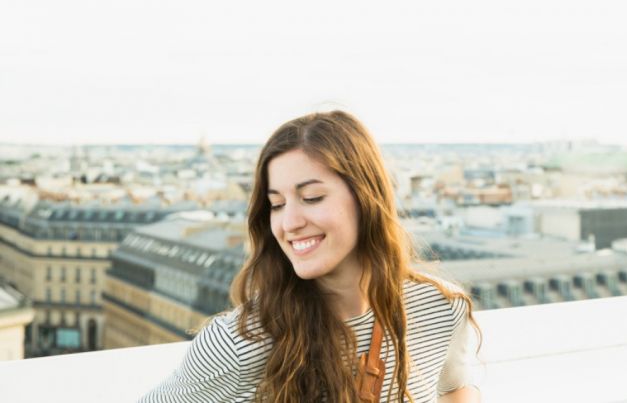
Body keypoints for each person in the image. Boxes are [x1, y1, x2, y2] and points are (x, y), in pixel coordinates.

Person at [139, 110, 481, 403]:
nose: (289, 223)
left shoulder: (442, 307)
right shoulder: (242, 341)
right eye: (276, 204)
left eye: (312, 197)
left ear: (366, 196)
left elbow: (456, 388)